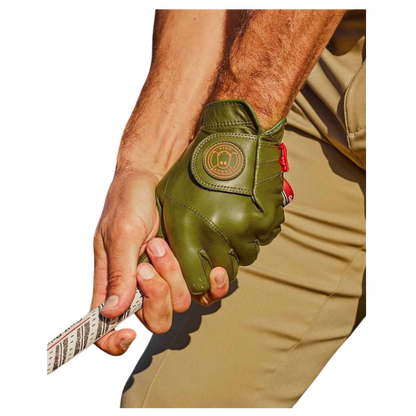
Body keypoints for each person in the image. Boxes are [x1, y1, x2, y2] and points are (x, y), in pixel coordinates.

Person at [87, 7, 367, 411]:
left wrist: (239, 128)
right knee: (176, 403)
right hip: (323, 89)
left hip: (268, 91)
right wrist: (146, 162)